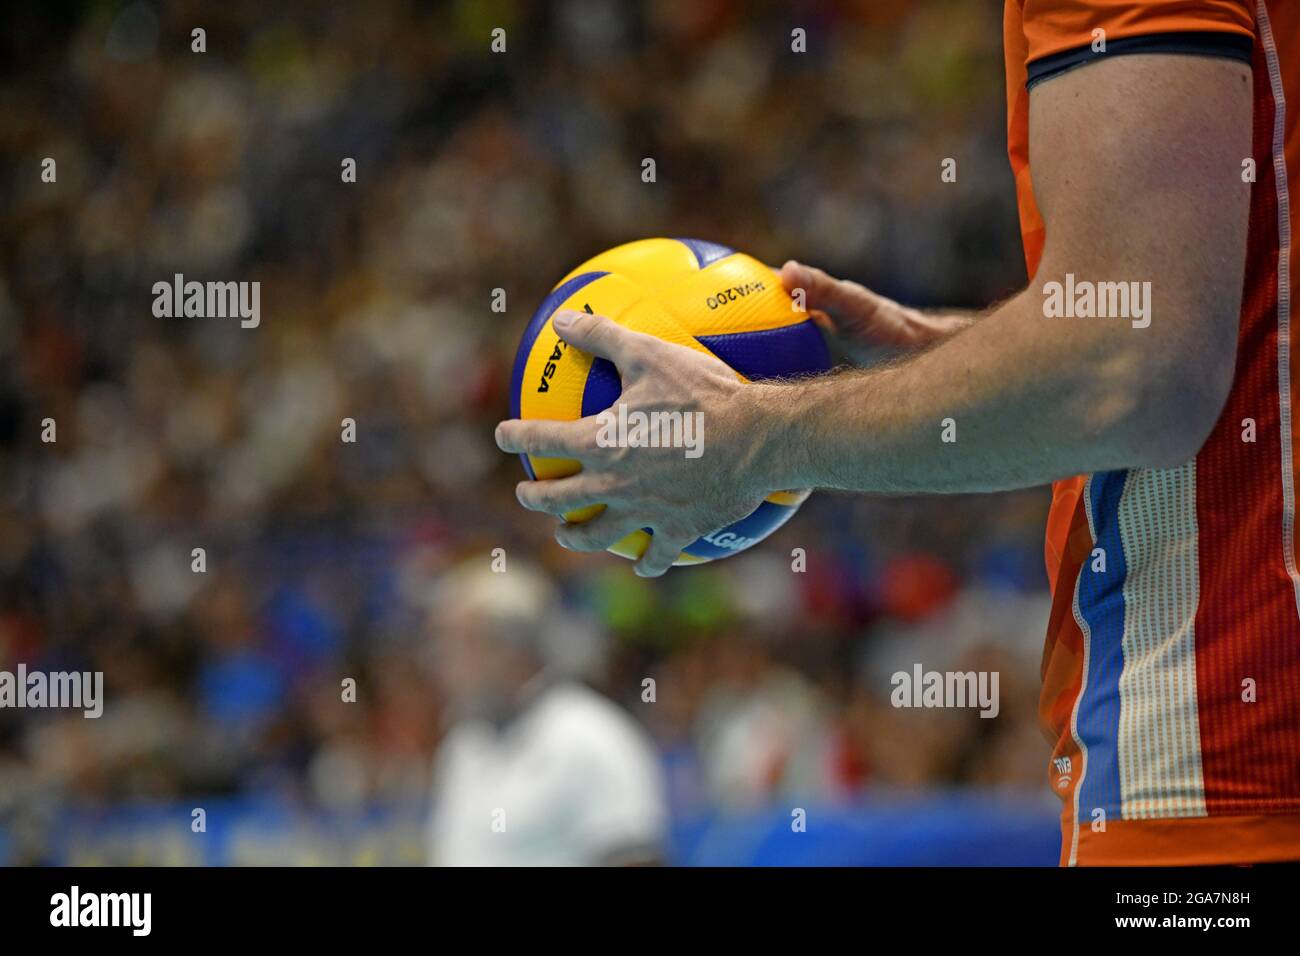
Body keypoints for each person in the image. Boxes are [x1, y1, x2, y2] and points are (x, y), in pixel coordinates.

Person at [497, 2, 1300, 866]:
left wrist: (753, 434)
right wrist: (948, 353)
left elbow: (1135, 371)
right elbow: (1199, 330)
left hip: (1227, 756)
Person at [425, 560, 667, 866]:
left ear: (507, 647)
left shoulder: (591, 735)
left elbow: (635, 859)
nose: (440, 662)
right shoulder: (463, 744)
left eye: (454, 643)